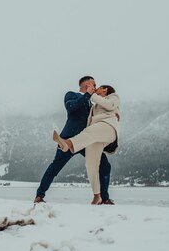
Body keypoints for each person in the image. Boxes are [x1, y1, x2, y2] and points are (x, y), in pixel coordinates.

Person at [34, 76, 114, 205]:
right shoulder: (71, 95)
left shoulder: (92, 104)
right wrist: (87, 95)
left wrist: (113, 115)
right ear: (86, 85)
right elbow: (71, 107)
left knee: (104, 165)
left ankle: (104, 198)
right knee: (55, 168)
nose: (95, 87)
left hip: (85, 142)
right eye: (93, 84)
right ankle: (39, 196)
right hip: (68, 139)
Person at [53, 85, 120, 205]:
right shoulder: (94, 107)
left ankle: (68, 143)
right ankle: (97, 196)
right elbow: (89, 122)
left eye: (98, 87)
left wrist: (90, 94)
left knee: (90, 131)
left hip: (108, 127)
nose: (95, 88)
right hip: (95, 134)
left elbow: (110, 105)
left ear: (104, 90)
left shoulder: (113, 97)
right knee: (91, 164)